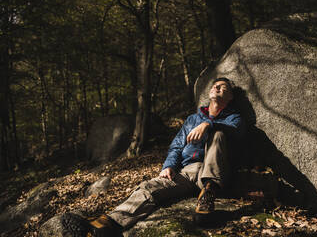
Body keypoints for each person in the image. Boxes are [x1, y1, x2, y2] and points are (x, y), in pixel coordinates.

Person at [62, 77, 246, 236]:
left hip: (215, 172)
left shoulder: (234, 118)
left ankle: (208, 195)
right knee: (150, 187)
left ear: (230, 97)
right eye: (215, 86)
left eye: (223, 88)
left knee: (218, 134)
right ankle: (107, 224)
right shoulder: (192, 119)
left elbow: (236, 132)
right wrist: (169, 166)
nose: (217, 88)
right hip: (188, 171)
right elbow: (176, 146)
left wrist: (209, 125)